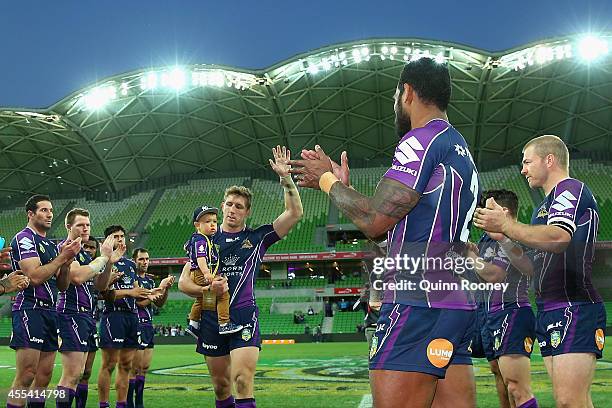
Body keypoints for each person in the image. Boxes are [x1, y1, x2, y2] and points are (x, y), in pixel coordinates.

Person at [290, 57, 480, 408]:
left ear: (407, 92)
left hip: (416, 299)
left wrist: (326, 181)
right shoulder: (459, 148)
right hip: (452, 300)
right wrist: (343, 190)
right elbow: (394, 231)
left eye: (396, 96)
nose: (395, 105)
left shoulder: (420, 140)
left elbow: (376, 219)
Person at [474, 135, 605, 408]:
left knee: (570, 401)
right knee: (571, 401)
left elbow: (558, 238)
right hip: (549, 308)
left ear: (549, 160)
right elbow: (530, 267)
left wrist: (507, 224)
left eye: (527, 161)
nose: (523, 169)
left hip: (574, 305)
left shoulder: (571, 189)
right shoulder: (541, 210)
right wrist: (504, 238)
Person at [179, 145, 303, 408]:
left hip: (244, 316)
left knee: (242, 380)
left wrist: (286, 179)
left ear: (247, 212)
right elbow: (183, 283)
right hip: (212, 317)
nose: (233, 209)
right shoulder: (204, 240)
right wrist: (208, 290)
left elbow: (294, 213)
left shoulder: (257, 238)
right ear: (222, 206)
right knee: (222, 387)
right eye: (229, 204)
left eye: (239, 206)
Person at [6, 195, 81, 408]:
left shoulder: (48, 243)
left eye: (50, 210)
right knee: (27, 375)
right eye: (44, 210)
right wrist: (61, 257)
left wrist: (66, 262)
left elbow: (63, 286)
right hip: (30, 309)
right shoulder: (24, 238)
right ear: (31, 214)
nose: (49, 214)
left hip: (50, 312)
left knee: (44, 376)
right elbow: (34, 277)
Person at [55, 209, 120, 408]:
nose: (85, 228)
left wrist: (109, 261)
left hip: (85, 315)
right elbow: (76, 277)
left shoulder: (83, 253)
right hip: (70, 313)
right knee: (71, 374)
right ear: (68, 227)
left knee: (80, 373)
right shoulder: (65, 248)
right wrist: (102, 258)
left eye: (88, 225)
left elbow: (100, 286)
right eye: (80, 225)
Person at [97, 225, 156, 408]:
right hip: (113, 316)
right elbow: (101, 293)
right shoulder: (101, 261)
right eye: (116, 236)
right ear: (107, 240)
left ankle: (121, 405)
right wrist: (130, 291)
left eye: (122, 236)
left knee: (126, 366)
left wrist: (152, 293)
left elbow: (137, 292)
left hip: (132, 317)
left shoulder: (130, 265)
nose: (121, 239)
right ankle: (103, 404)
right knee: (109, 364)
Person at [185, 205, 242, 337]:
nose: (212, 225)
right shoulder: (201, 241)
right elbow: (201, 258)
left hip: (199, 273)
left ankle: (193, 324)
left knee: (201, 299)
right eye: (207, 222)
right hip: (202, 273)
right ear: (197, 225)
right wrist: (206, 273)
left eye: (215, 221)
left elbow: (187, 247)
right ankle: (224, 323)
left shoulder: (198, 238)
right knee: (223, 294)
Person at [128, 247, 174, 408]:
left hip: (148, 326)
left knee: (144, 368)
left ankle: (139, 402)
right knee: (134, 368)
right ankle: (129, 403)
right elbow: (139, 302)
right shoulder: (131, 279)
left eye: (147, 259)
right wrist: (159, 289)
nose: (145, 262)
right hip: (136, 325)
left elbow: (159, 303)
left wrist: (165, 289)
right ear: (134, 261)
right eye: (141, 259)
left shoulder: (149, 281)